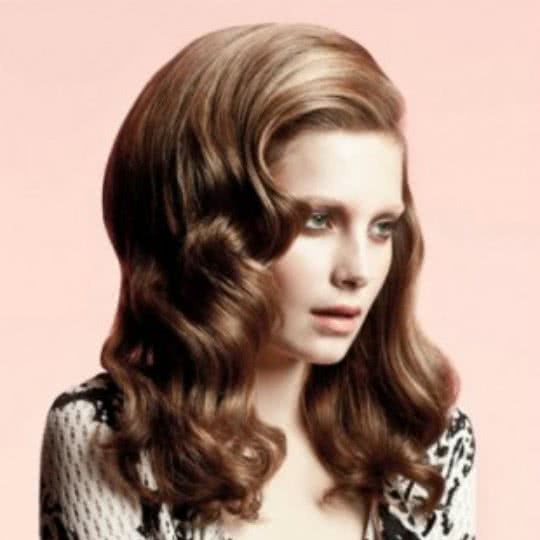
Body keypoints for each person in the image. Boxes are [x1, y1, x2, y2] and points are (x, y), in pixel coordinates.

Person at [38, 22, 476, 540]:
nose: (358, 270)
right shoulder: (108, 436)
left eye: (382, 227)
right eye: (317, 220)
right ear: (205, 225)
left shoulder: (426, 441)